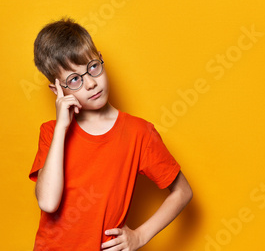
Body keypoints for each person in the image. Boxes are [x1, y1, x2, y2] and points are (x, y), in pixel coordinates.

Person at [28, 18, 192, 250]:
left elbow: (182, 192)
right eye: (74, 80)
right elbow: (48, 201)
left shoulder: (139, 133)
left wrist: (140, 236)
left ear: (100, 59)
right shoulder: (51, 133)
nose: (91, 84)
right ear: (57, 90)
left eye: (93, 67)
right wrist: (62, 129)